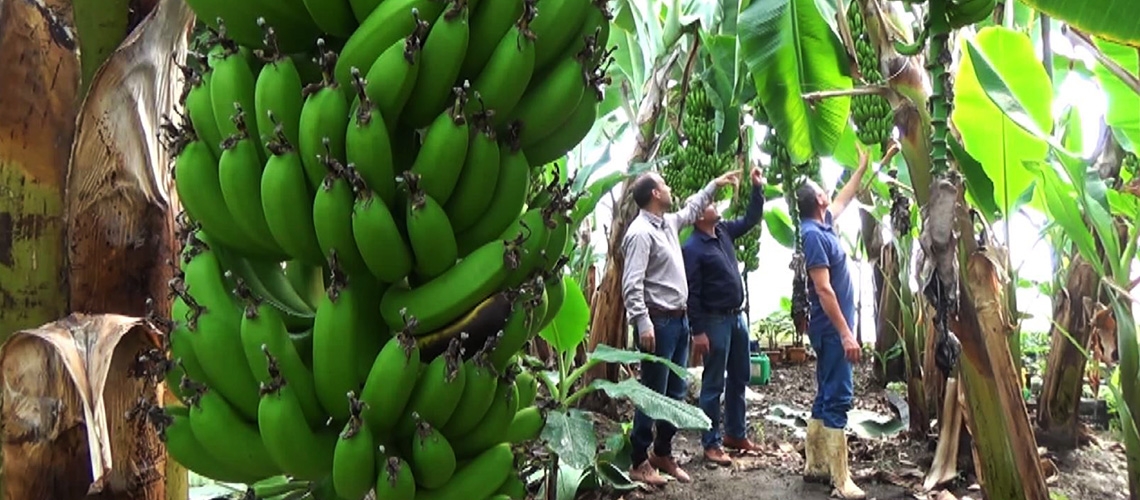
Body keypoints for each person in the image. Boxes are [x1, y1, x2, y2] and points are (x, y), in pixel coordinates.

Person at [621, 169, 741, 486]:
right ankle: (637, 461)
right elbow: (631, 285)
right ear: (655, 194)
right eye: (664, 184)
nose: (669, 186)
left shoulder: (667, 224)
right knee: (653, 395)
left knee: (675, 393)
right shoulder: (640, 233)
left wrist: (714, 184)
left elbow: (691, 210)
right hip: (657, 323)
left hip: (679, 320)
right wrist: (642, 321)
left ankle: (662, 453)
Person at [798, 144, 892, 500]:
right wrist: (846, 333)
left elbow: (846, 197)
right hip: (831, 329)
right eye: (824, 192)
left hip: (830, 329)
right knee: (838, 396)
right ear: (818, 199)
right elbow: (823, 290)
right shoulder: (812, 236)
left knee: (825, 394)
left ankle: (816, 466)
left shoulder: (821, 225)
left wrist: (870, 165)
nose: (830, 195)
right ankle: (841, 480)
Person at [682, 165, 767, 466]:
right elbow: (691, 292)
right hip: (715, 321)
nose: (714, 205)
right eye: (709, 203)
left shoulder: (723, 231)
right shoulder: (692, 248)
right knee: (713, 383)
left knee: (740, 377)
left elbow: (751, 219)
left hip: (737, 318)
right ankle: (711, 442)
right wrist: (698, 331)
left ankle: (735, 433)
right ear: (697, 215)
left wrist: (757, 189)